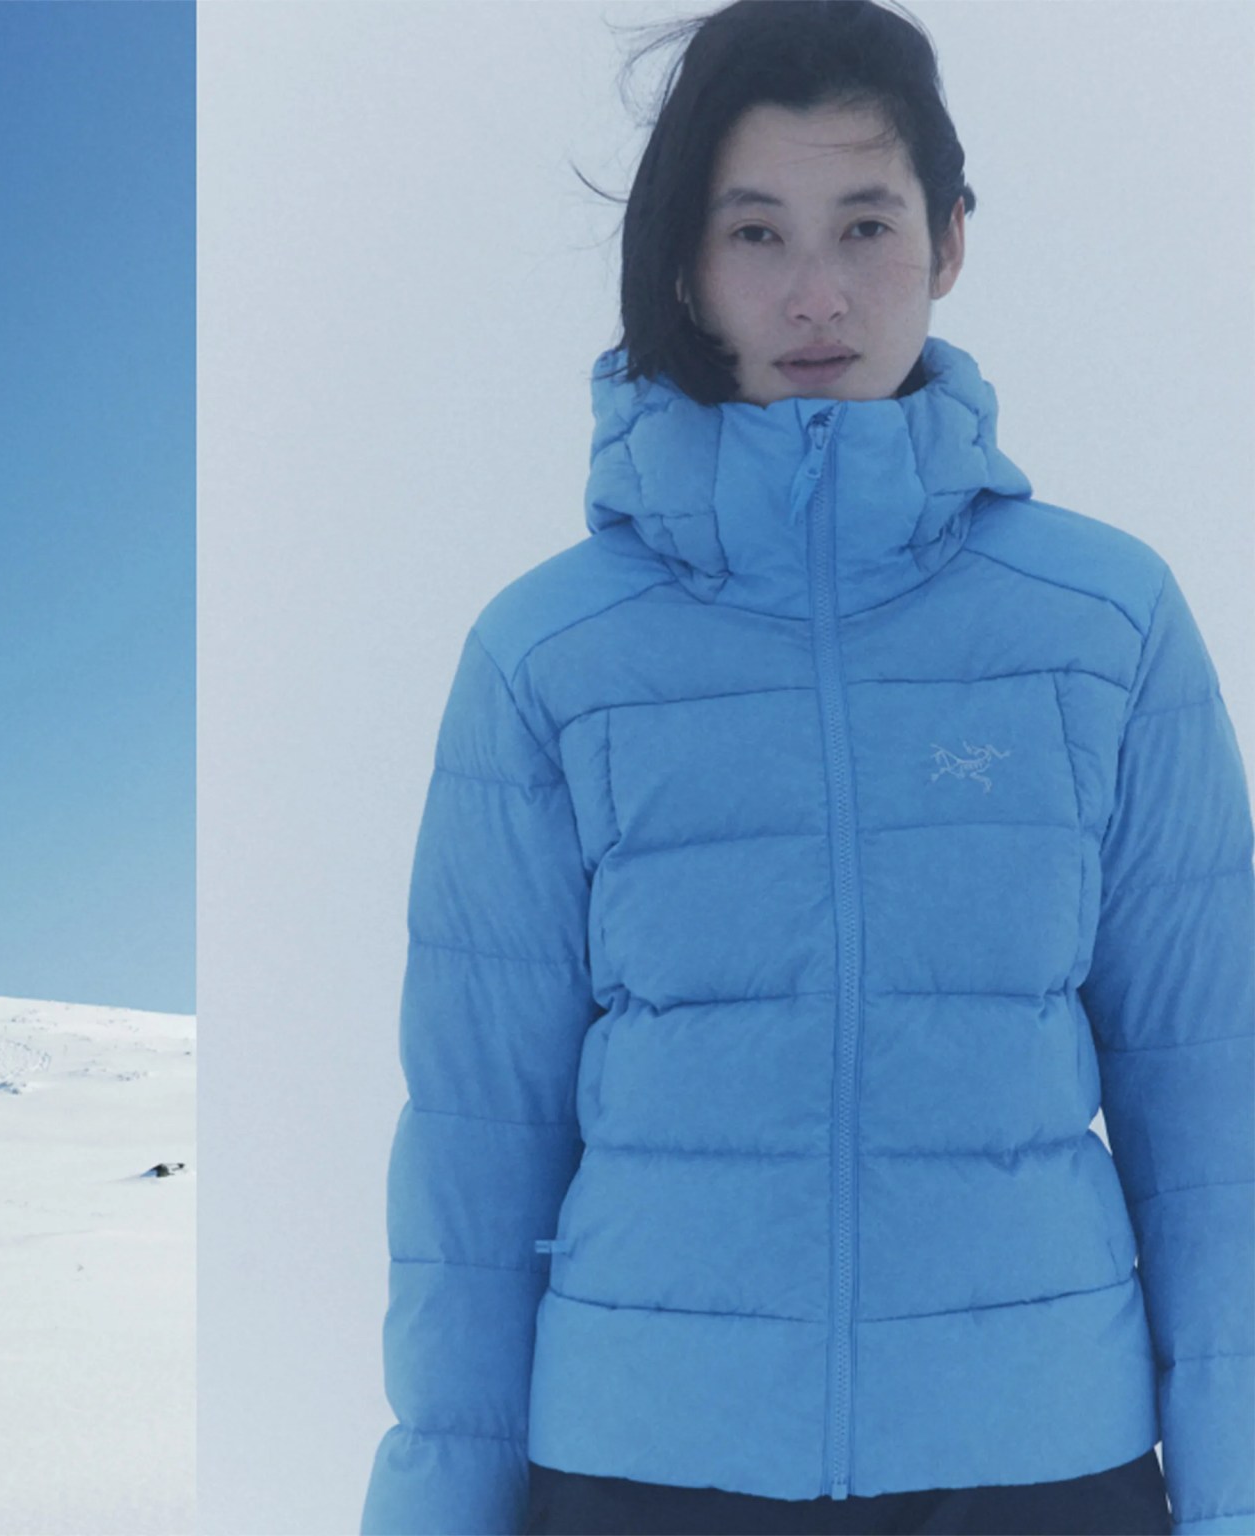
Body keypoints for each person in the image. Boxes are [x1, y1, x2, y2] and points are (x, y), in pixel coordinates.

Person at [360, 4, 1252, 1535]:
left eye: (867, 223)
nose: (817, 291)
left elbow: (1214, 1111)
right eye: (756, 231)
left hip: (1037, 1469)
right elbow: (475, 1149)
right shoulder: (548, 655)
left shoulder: (1105, 623)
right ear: (688, 264)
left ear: (951, 240)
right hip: (646, 1472)